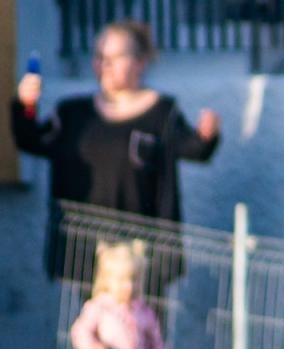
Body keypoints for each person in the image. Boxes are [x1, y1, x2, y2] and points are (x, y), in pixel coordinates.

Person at [10, 21, 221, 298]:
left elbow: (195, 149)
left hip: (142, 260)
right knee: (93, 335)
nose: (104, 65)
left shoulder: (162, 113)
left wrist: (208, 135)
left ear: (140, 62)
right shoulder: (73, 113)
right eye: (99, 57)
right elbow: (32, 140)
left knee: (142, 336)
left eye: (114, 57)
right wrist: (24, 106)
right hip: (88, 255)